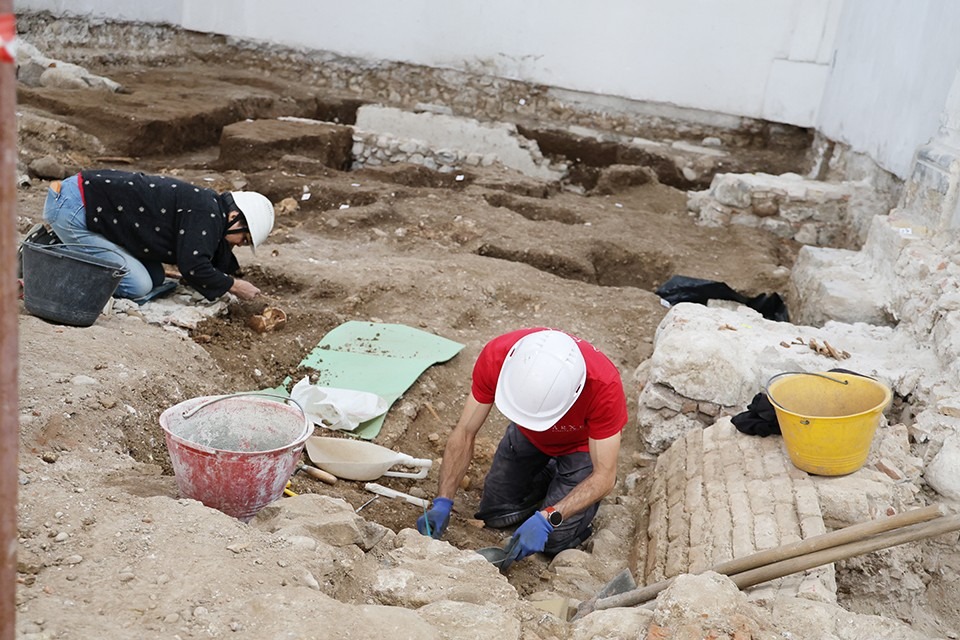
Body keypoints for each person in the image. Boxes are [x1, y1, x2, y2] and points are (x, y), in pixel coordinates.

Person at [417, 328, 628, 570]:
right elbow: (465, 431)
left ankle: (563, 486)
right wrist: (443, 501)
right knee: (496, 514)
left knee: (554, 542)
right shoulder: (498, 356)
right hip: (528, 433)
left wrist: (550, 517)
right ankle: (552, 477)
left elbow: (605, 476)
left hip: (582, 449)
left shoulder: (604, 385)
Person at [41, 169, 274, 302]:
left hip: (93, 209)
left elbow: (211, 254)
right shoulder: (206, 214)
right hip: (73, 207)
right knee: (138, 286)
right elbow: (193, 266)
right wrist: (234, 286)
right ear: (235, 215)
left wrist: (225, 277)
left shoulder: (212, 209)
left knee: (156, 277)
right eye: (245, 238)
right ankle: (51, 254)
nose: (241, 245)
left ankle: (73, 245)